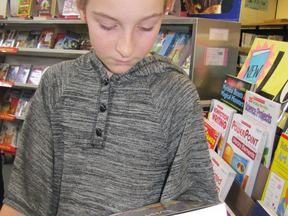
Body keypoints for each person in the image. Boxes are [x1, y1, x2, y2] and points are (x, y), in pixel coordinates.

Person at [0, 0, 218, 215]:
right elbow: (24, 199)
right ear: (82, 8)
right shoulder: (56, 83)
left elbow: (195, 201)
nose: (126, 48)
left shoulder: (176, 95)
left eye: (146, 27)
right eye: (107, 25)